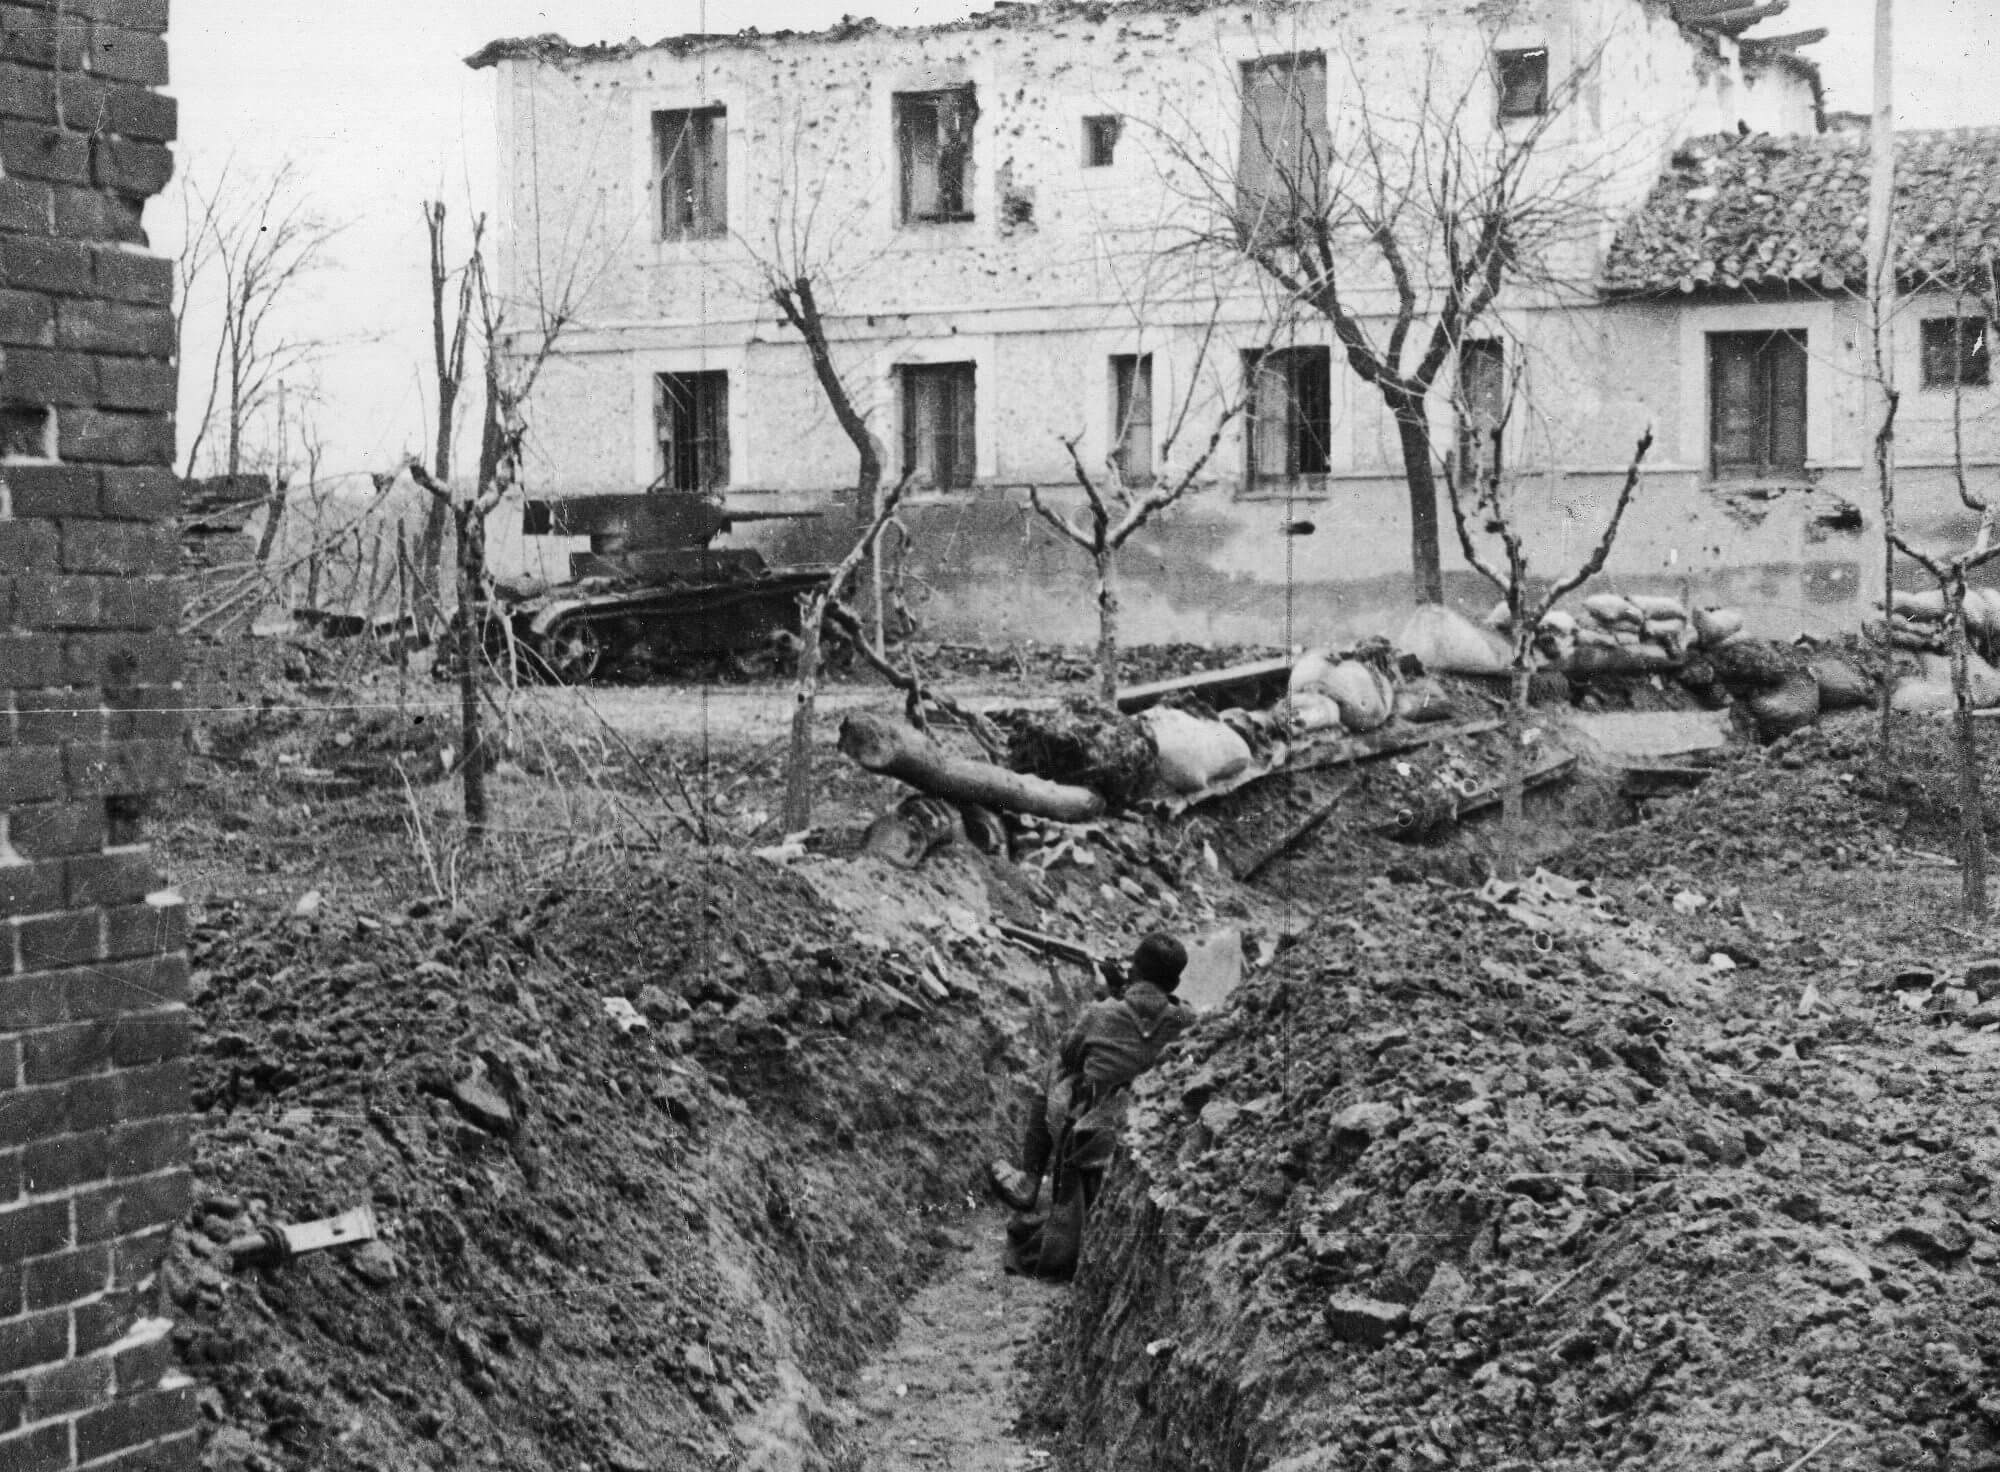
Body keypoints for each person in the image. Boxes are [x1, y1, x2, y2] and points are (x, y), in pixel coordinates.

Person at [987, 932, 1192, 1220]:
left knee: (1053, 1069)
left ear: (1134, 970)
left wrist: (1109, 997)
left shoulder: (1101, 1012)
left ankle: (1030, 1179)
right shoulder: (1184, 1019)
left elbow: (1070, 1054)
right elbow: (1176, 1013)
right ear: (1174, 983)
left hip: (1089, 1130)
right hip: (1146, 1128)